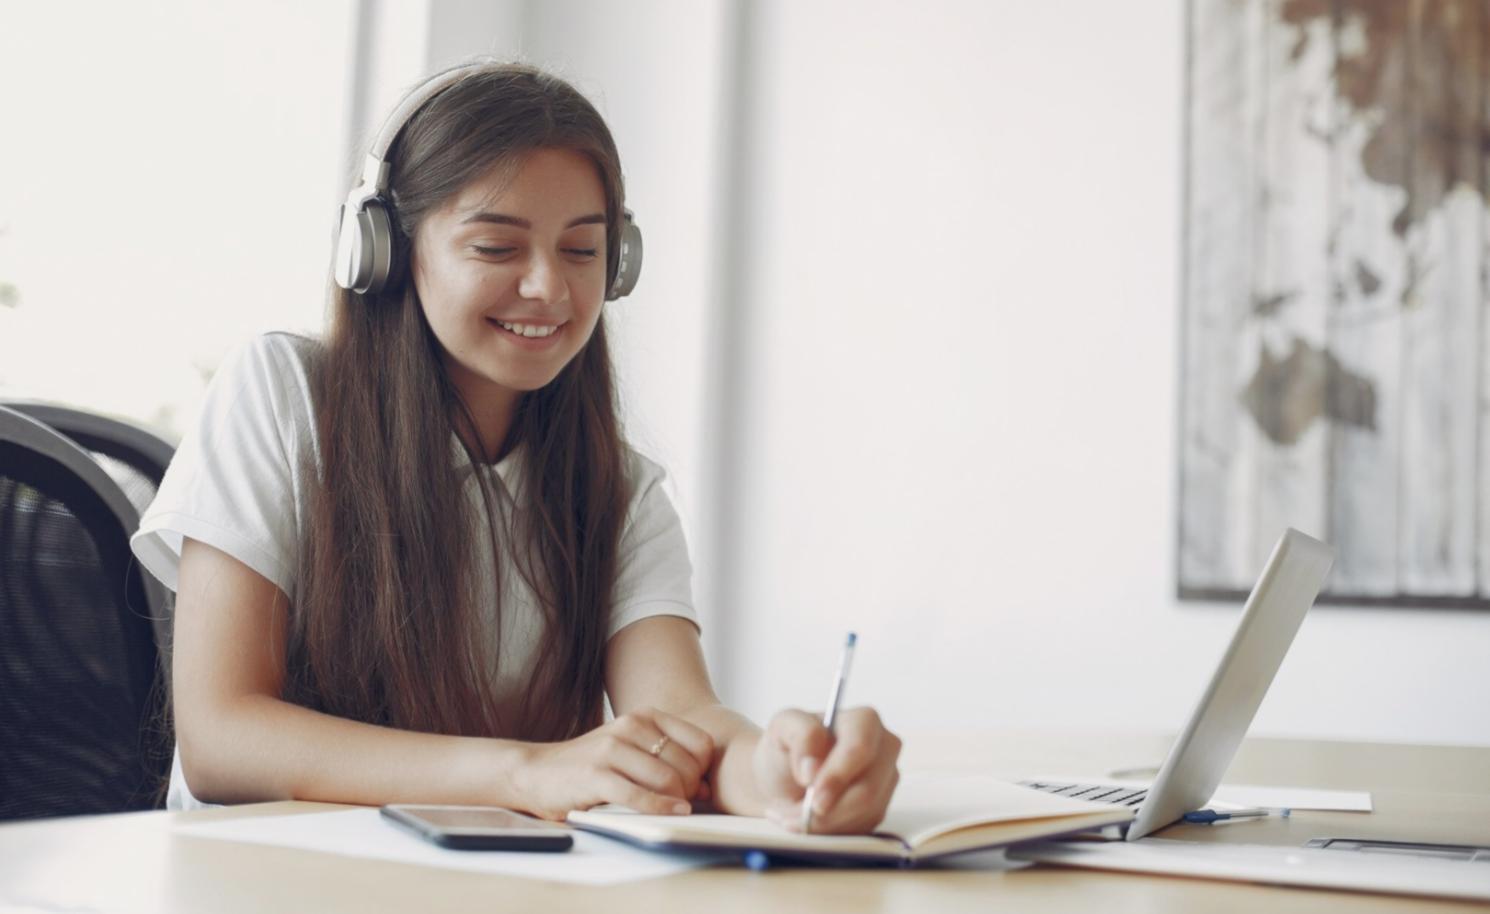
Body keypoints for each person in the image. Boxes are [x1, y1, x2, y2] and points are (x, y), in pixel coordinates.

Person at [131, 60, 900, 833]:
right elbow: (221, 737)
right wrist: (525, 772)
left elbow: (683, 723)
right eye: (497, 248)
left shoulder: (617, 489)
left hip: (475, 880)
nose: (550, 289)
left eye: (582, 251)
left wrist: (777, 771)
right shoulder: (283, 395)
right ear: (385, 252)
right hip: (262, 874)